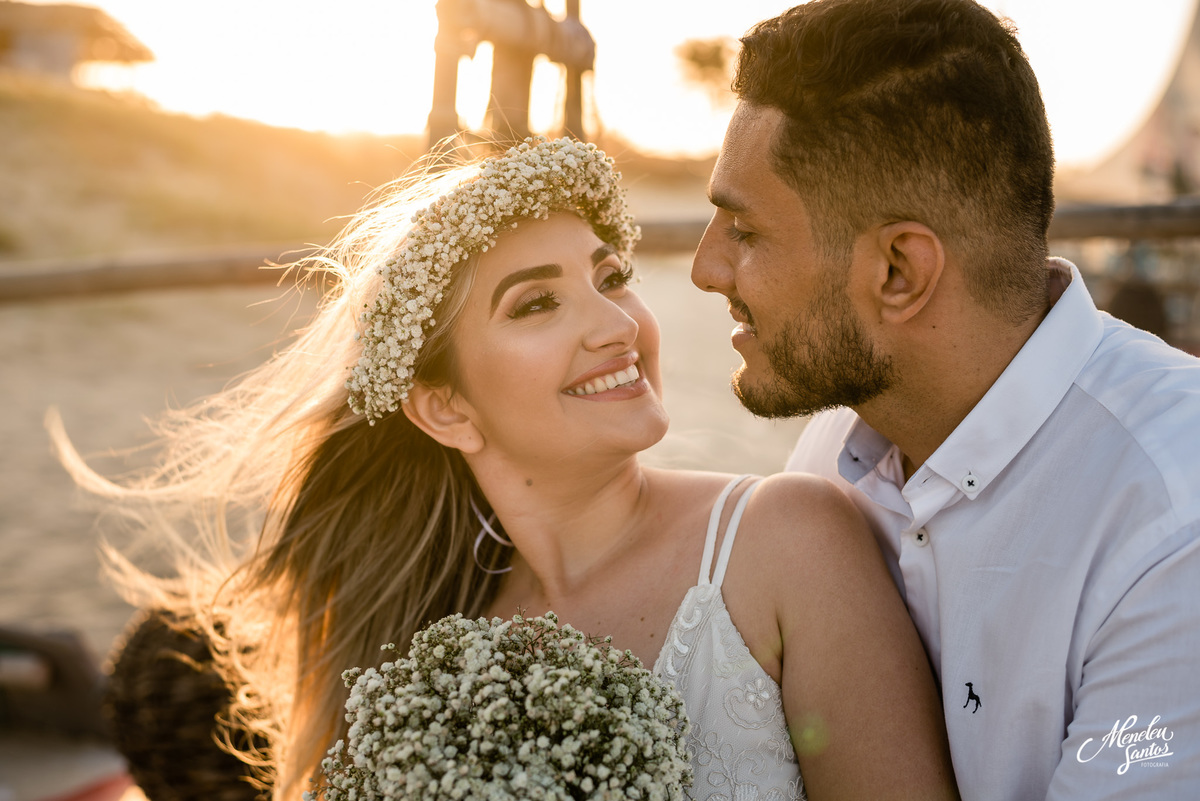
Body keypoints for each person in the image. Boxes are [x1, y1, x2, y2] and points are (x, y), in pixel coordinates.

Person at [54, 137, 957, 800]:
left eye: (609, 276)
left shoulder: (788, 541)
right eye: (536, 304)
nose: (613, 323)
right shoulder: (419, 649)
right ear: (444, 406)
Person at [691, 0, 1200, 798]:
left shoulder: (1174, 520)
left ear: (899, 271)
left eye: (744, 233)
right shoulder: (835, 446)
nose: (705, 269)